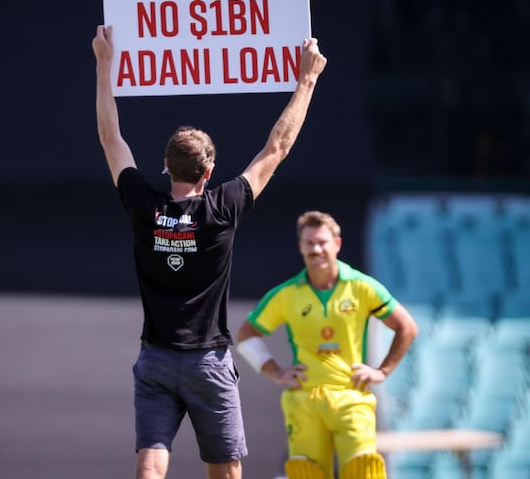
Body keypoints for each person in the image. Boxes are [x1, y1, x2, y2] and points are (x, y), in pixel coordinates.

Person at [92, 24, 327, 479]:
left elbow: (111, 139)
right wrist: (308, 79)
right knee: (225, 469)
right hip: (208, 361)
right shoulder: (222, 208)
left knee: (150, 465)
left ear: (165, 166)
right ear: (210, 171)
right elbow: (276, 148)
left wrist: (105, 65)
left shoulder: (144, 203)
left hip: (156, 358)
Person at [236, 210, 419, 479]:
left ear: (337, 244)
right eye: (309, 243)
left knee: (363, 471)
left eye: (322, 242)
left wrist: (382, 371)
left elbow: (407, 327)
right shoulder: (287, 294)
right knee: (305, 473)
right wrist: (276, 372)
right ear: (300, 246)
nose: (316, 249)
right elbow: (246, 334)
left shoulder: (362, 287)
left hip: (351, 394)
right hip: (304, 398)